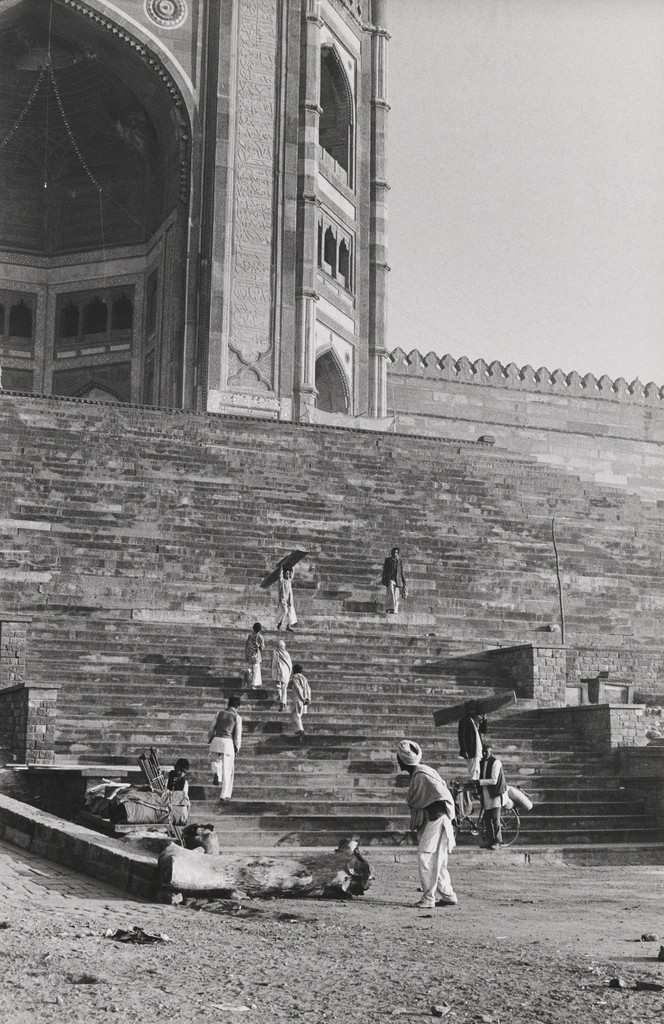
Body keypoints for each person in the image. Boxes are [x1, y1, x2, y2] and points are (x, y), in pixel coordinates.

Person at [396, 739, 458, 909]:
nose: (398, 762)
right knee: (438, 860)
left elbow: (442, 794)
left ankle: (428, 898)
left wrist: (436, 815)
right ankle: (448, 895)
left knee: (426, 857)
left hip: (437, 820)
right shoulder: (419, 774)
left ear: (404, 760)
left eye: (399, 758)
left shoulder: (422, 774)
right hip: (434, 820)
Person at [208, 695, 242, 801]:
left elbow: (212, 728)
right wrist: (237, 747)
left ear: (228, 704)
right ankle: (223, 794)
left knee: (215, 761)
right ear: (237, 707)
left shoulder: (219, 713)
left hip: (216, 740)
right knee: (227, 769)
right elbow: (237, 736)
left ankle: (216, 774)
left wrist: (210, 739)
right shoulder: (237, 717)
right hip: (228, 743)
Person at [478, 743, 508, 849]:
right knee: (487, 819)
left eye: (486, 752)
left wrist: (479, 782)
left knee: (495, 818)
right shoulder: (481, 763)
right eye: (483, 752)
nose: (484, 754)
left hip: (496, 794)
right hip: (486, 794)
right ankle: (490, 840)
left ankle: (498, 841)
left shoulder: (496, 762)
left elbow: (494, 780)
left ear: (491, 752)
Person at [382, 546, 406, 614]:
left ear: (398, 553)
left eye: (396, 553)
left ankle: (395, 609)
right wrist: (383, 578)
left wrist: (404, 582)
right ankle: (391, 607)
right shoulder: (388, 560)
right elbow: (384, 570)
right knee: (391, 592)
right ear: (391, 553)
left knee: (396, 595)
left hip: (397, 580)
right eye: (394, 552)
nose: (395, 554)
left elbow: (402, 572)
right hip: (390, 579)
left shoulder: (400, 561)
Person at [290, 662, 311, 741]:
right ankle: (298, 731)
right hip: (304, 700)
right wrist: (308, 698)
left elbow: (298, 688)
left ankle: (300, 731)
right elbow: (308, 689)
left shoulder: (295, 678)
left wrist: (302, 698)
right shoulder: (304, 678)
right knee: (298, 716)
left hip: (298, 699)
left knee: (295, 716)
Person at [271, 638, 293, 710]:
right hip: (285, 673)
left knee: (278, 685)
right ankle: (283, 702)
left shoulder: (275, 652)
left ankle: (279, 695)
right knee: (284, 688)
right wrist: (289, 672)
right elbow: (290, 664)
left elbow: (272, 662)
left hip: (278, 672)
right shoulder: (286, 654)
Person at [277, 566, 297, 632]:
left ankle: (288, 626)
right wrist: (281, 569)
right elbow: (280, 576)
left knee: (289, 613)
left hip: (289, 599)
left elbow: (292, 573)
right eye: (287, 573)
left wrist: (292, 567)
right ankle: (280, 623)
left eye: (288, 573)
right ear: (284, 574)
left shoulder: (289, 580)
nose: (288, 575)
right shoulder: (282, 581)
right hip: (283, 599)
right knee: (285, 611)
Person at [245, 621, 265, 688]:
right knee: (256, 670)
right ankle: (253, 684)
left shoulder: (250, 636)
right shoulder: (260, 637)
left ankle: (249, 671)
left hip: (249, 654)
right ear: (260, 630)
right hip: (256, 656)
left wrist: (246, 653)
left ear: (253, 628)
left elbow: (246, 645)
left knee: (251, 667)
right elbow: (262, 649)